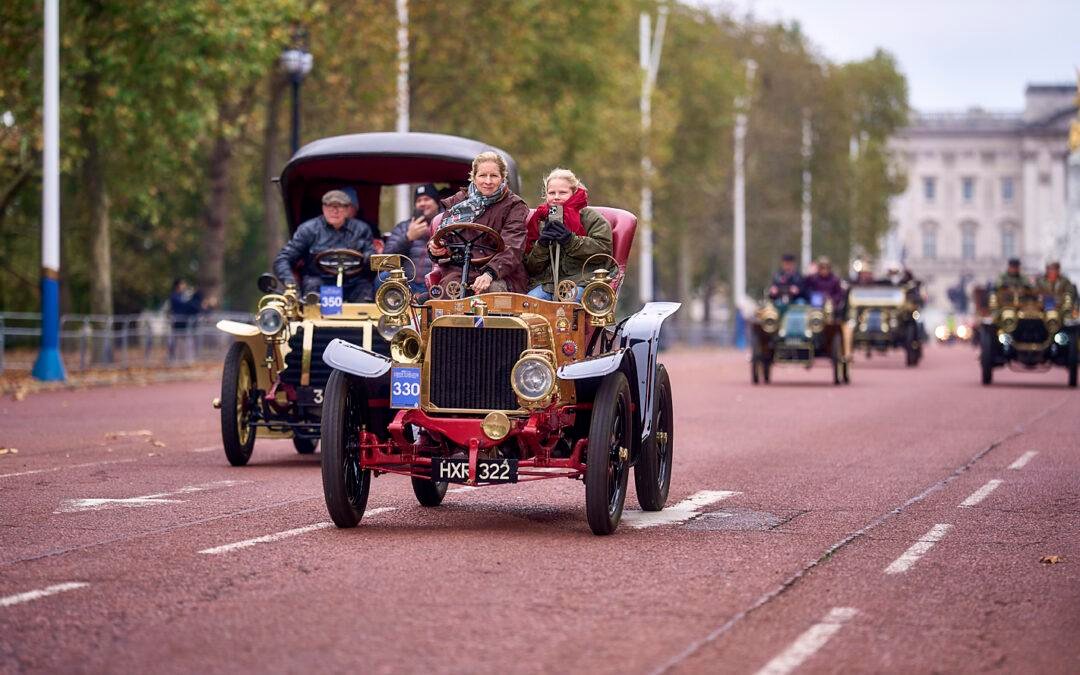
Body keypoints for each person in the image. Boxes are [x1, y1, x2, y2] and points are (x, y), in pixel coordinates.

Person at [429, 151, 528, 294]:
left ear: (502, 178)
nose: (488, 181)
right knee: (446, 293)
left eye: (493, 176)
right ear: (474, 177)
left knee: (491, 292)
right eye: (482, 175)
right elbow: (442, 236)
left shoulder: (514, 206)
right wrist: (436, 248)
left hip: (501, 273)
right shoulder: (457, 202)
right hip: (460, 269)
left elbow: (512, 247)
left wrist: (489, 274)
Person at [523, 169, 612, 301]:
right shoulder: (539, 220)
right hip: (548, 285)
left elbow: (603, 250)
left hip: (581, 281)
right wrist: (541, 245)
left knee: (568, 303)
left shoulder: (591, 218)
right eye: (551, 193)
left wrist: (571, 240)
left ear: (574, 193)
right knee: (530, 303)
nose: (556, 197)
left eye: (563, 192)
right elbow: (531, 267)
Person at [273, 189, 377, 301]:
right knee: (312, 286)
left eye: (340, 206)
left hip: (353, 284)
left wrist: (368, 257)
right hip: (318, 283)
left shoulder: (362, 229)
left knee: (365, 288)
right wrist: (291, 283)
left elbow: (371, 255)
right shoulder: (309, 230)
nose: (334, 211)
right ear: (323, 208)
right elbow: (282, 259)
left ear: (347, 209)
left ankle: (365, 318)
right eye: (330, 206)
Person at [384, 183, 442, 293]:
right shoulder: (403, 227)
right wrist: (408, 237)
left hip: (435, 283)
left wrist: (432, 234)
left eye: (427, 199)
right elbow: (386, 259)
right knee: (383, 277)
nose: (422, 203)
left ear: (437, 203)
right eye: (419, 200)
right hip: (407, 283)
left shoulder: (445, 224)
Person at [168, 278, 205, 362]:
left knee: (185, 341)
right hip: (178, 322)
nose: (184, 286)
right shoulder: (175, 296)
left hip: (185, 323)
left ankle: (186, 358)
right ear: (178, 285)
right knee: (174, 340)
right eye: (182, 284)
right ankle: (173, 358)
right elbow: (183, 306)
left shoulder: (183, 296)